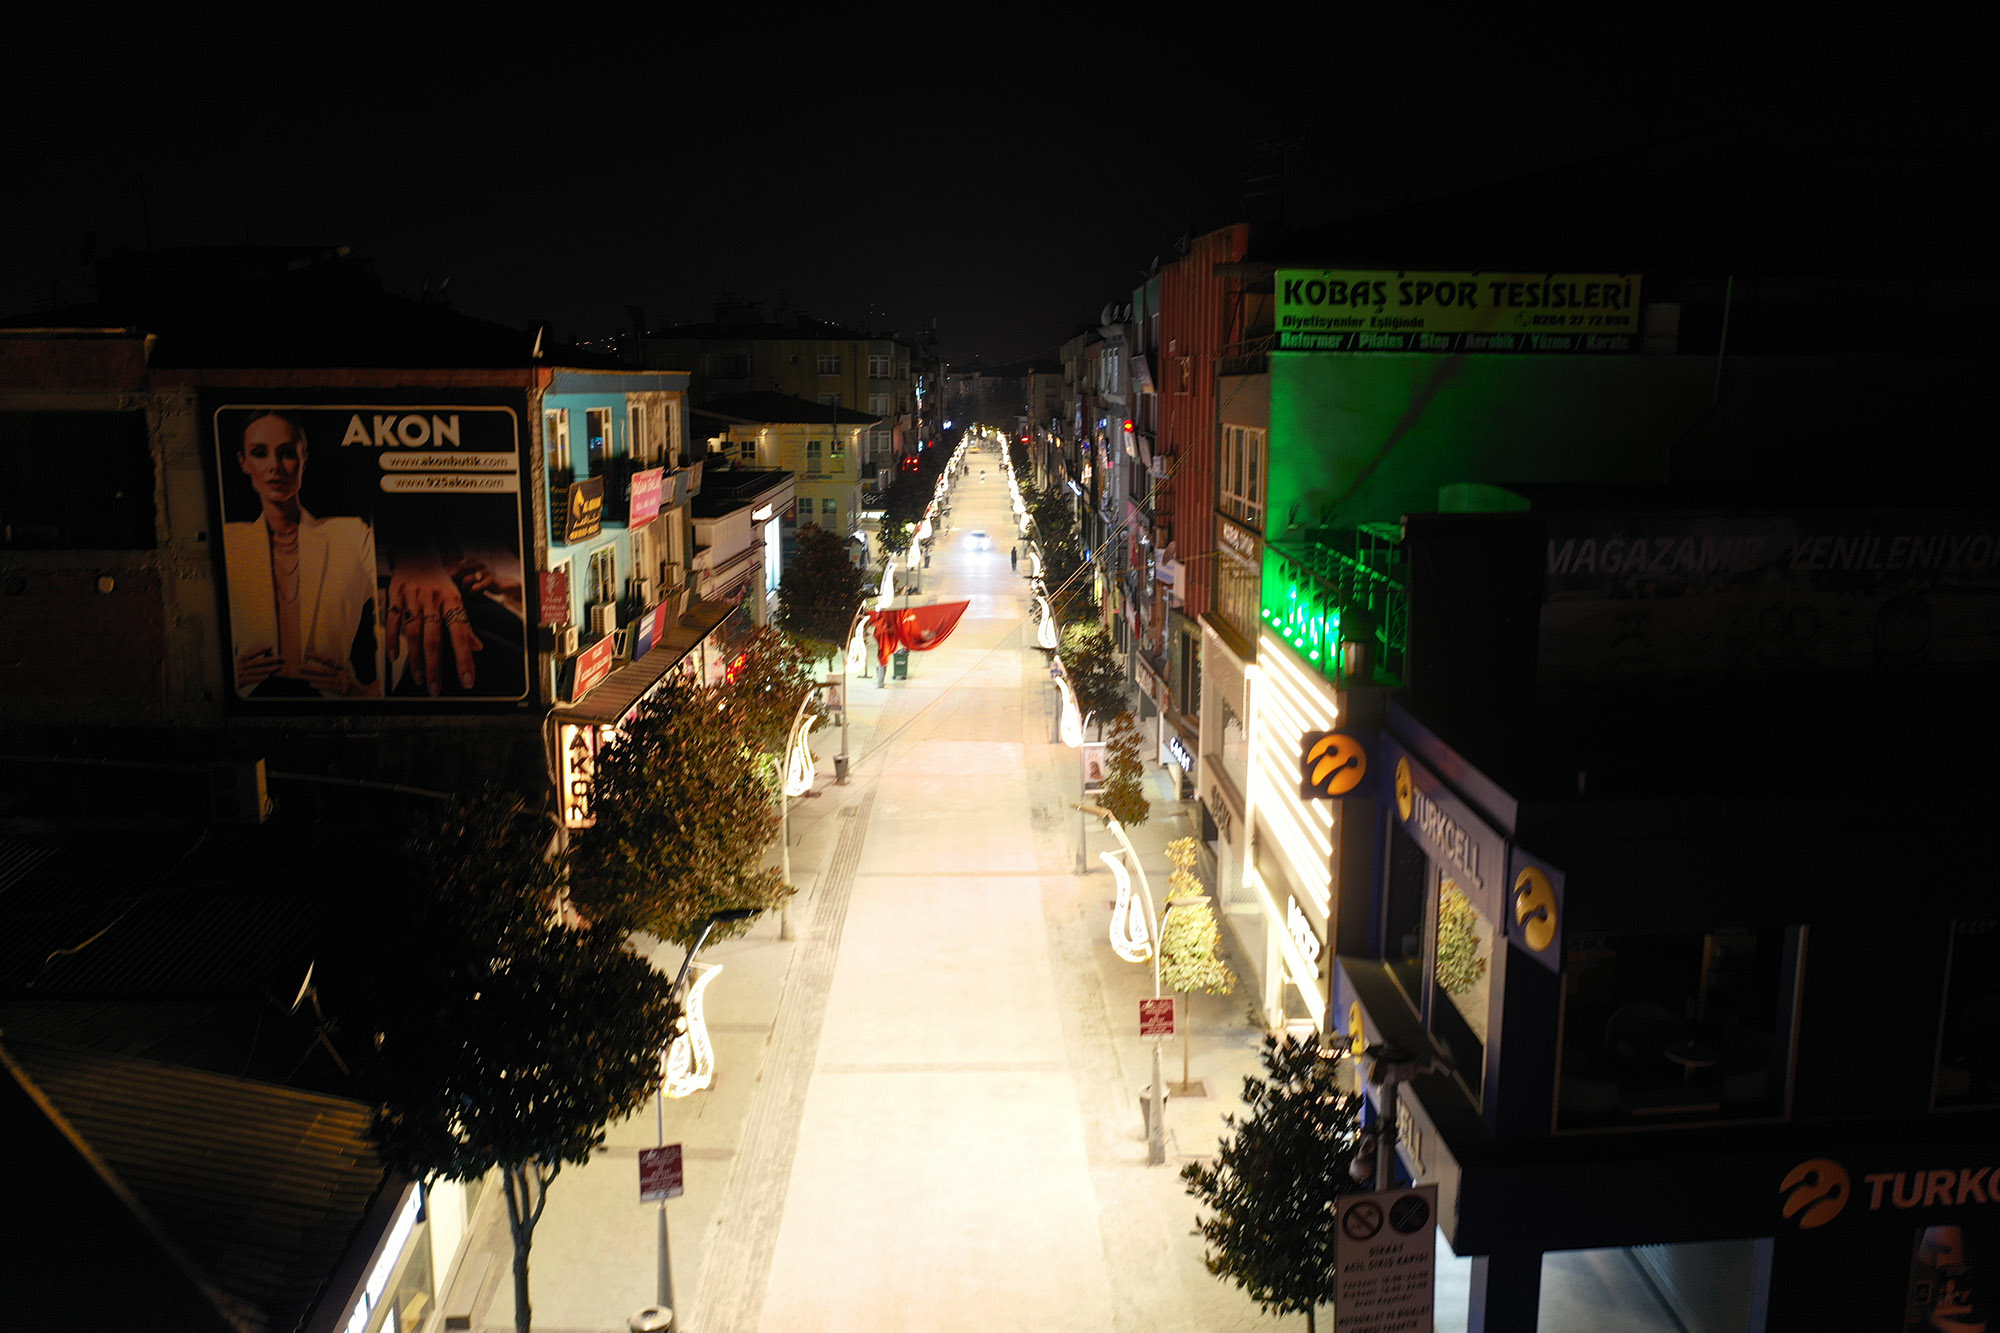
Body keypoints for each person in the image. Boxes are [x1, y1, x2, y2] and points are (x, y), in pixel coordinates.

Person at [223, 411, 382, 698]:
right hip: (250, 710)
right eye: (259, 453)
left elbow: (408, 610)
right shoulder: (229, 542)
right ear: (243, 462)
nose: (274, 466)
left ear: (304, 458)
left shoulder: (350, 536)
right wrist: (221, 674)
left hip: (332, 708)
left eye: (286, 453)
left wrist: (366, 692)